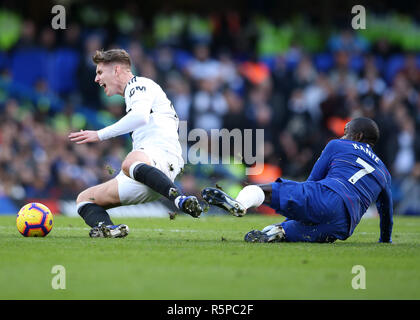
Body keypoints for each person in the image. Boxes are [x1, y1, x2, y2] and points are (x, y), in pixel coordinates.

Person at [69, 49, 202, 238]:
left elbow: (140, 117)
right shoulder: (134, 93)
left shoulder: (138, 84)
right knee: (85, 199)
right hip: (148, 174)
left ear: (116, 70)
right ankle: (108, 228)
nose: (96, 79)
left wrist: (100, 134)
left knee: (129, 162)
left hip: (160, 155)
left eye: (99, 72)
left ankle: (179, 199)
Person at [202, 117, 393, 243]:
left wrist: (296, 207)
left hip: (329, 194)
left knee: (264, 190)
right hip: (344, 224)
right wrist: (385, 240)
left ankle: (240, 204)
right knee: (292, 231)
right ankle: (275, 232)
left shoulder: (338, 145)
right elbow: (386, 211)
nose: (343, 135)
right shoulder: (384, 171)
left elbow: (312, 181)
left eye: (347, 131)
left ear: (357, 136)